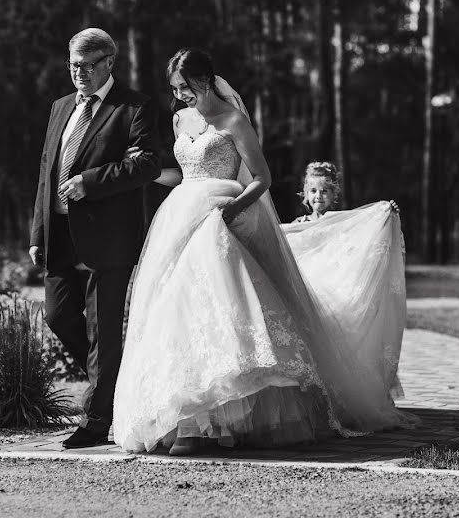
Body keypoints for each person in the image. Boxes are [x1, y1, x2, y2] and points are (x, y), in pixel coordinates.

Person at [113, 48, 415, 456]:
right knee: (176, 308)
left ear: (206, 79)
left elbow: (262, 178)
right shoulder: (179, 119)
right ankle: (185, 414)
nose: (181, 95)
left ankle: (222, 419)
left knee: (226, 305)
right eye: (175, 88)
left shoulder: (234, 120)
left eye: (186, 86)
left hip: (221, 218)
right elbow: (183, 174)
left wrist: (231, 211)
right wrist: (146, 173)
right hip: (181, 216)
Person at [30, 28, 161, 449]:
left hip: (108, 237)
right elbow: (46, 172)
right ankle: (114, 382)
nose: (79, 74)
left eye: (87, 66)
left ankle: (96, 422)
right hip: (60, 234)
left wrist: (91, 182)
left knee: (103, 331)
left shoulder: (135, 108)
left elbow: (147, 165)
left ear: (109, 63)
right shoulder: (60, 107)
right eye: (73, 66)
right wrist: (37, 232)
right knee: (58, 316)